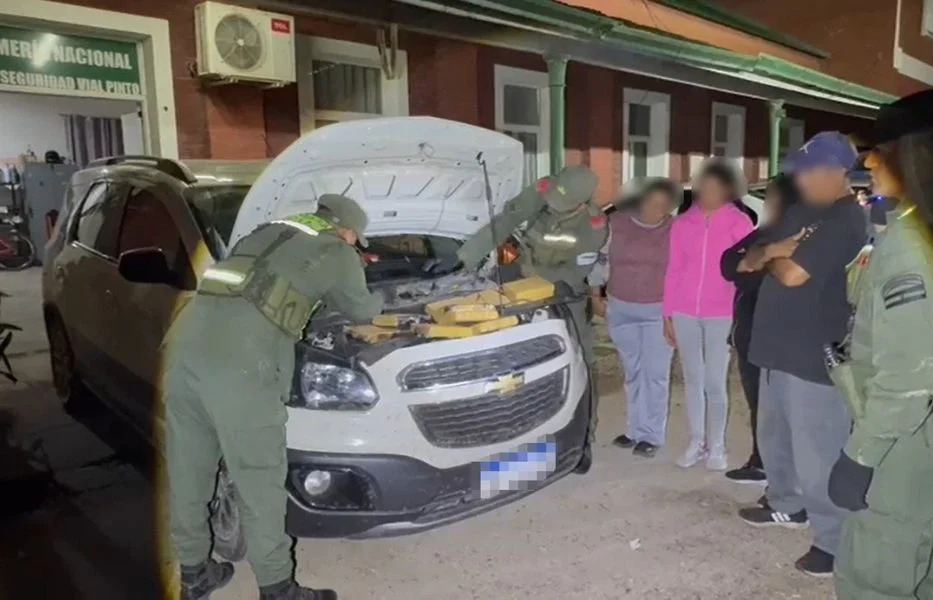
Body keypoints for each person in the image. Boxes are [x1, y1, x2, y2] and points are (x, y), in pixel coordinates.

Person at [165, 194, 384, 600]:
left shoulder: (265, 232)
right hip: (241, 367)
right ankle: (278, 588)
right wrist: (384, 296)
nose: (355, 245)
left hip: (185, 350)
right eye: (357, 239)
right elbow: (362, 310)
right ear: (347, 230)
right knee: (259, 479)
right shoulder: (337, 251)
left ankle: (195, 574)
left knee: (188, 470)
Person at [828, 88, 933, 599]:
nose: (869, 162)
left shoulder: (914, 240)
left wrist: (861, 455)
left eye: (882, 150)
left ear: (916, 153)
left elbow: (909, 376)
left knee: (875, 581)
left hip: (910, 446)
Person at [734, 131, 868, 577]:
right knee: (776, 438)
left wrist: (773, 258)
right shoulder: (803, 210)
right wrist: (774, 250)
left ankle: (833, 542)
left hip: (814, 353)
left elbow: (791, 275)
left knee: (820, 452)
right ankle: (785, 505)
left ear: (836, 172)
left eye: (809, 171)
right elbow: (747, 257)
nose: (801, 179)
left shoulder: (847, 219)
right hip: (773, 347)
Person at [434, 165, 609, 472]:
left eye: (561, 204)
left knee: (582, 362)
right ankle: (521, 436)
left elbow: (575, 271)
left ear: (581, 204)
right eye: (552, 197)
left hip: (564, 293)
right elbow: (505, 222)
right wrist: (463, 258)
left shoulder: (594, 227)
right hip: (522, 286)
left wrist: (534, 281)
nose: (551, 205)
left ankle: (583, 440)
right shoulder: (542, 191)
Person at [662, 159, 754, 470]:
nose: (707, 192)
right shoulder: (682, 223)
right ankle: (696, 441)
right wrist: (668, 314)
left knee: (715, 381)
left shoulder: (739, 223)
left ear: (728, 190)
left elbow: (746, 271)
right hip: (685, 311)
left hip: (721, 313)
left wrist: (740, 311)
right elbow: (674, 270)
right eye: (703, 186)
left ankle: (717, 445)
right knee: (692, 378)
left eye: (715, 187)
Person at [719, 173, 800, 484]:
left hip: (777, 333)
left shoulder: (800, 235)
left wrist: (754, 262)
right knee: (757, 401)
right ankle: (760, 460)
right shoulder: (766, 233)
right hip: (749, 331)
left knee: (780, 405)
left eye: (770, 198)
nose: (767, 204)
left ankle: (783, 473)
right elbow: (728, 264)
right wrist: (765, 257)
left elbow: (754, 274)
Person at [590, 177, 679, 458]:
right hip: (621, 307)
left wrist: (674, 314)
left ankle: (651, 435)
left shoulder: (675, 229)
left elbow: (681, 274)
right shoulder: (616, 223)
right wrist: (595, 295)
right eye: (653, 202)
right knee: (632, 372)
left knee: (655, 375)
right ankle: (634, 430)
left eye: (664, 205)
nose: (658, 210)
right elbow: (599, 259)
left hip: (658, 311)